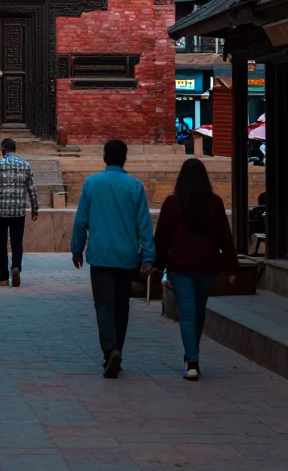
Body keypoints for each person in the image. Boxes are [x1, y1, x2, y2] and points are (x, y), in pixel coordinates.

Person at [71, 138, 154, 378]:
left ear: (104, 158)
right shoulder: (134, 186)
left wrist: (77, 249)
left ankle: (110, 350)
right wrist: (148, 256)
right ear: (125, 158)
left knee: (103, 305)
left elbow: (81, 221)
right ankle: (117, 348)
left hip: (100, 255)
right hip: (127, 256)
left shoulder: (92, 184)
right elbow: (144, 225)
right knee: (121, 306)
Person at [154, 158, 238, 380]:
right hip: (207, 266)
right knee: (197, 311)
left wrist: (156, 265)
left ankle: (192, 359)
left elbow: (162, 238)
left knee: (189, 313)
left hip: (180, 266)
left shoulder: (172, 204)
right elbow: (225, 237)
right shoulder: (215, 203)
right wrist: (230, 267)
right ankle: (192, 357)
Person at [0, 137, 39, 287]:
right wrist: (35, 208)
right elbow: (32, 189)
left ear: (3, 151)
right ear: (15, 150)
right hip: (18, 212)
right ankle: (16, 267)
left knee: (1, 244)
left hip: (0, 212)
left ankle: (4, 276)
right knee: (16, 242)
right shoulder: (25, 166)